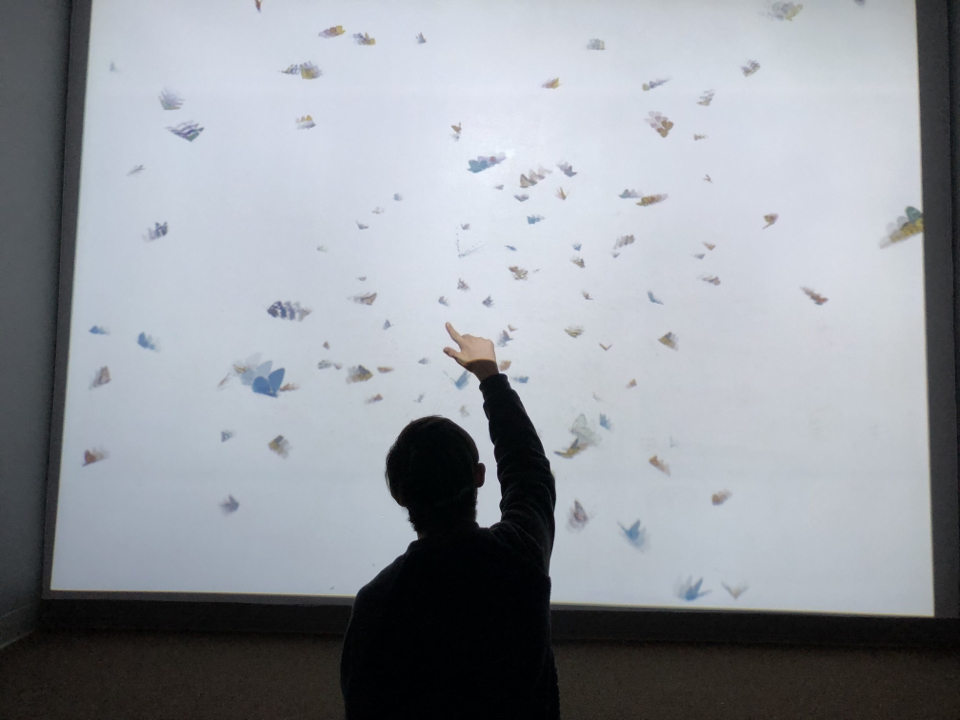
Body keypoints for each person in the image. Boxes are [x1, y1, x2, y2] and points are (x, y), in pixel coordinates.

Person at [340, 323, 559, 719]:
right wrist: (490, 378)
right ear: (479, 476)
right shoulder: (520, 556)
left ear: (399, 495)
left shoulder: (379, 601)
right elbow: (529, 474)